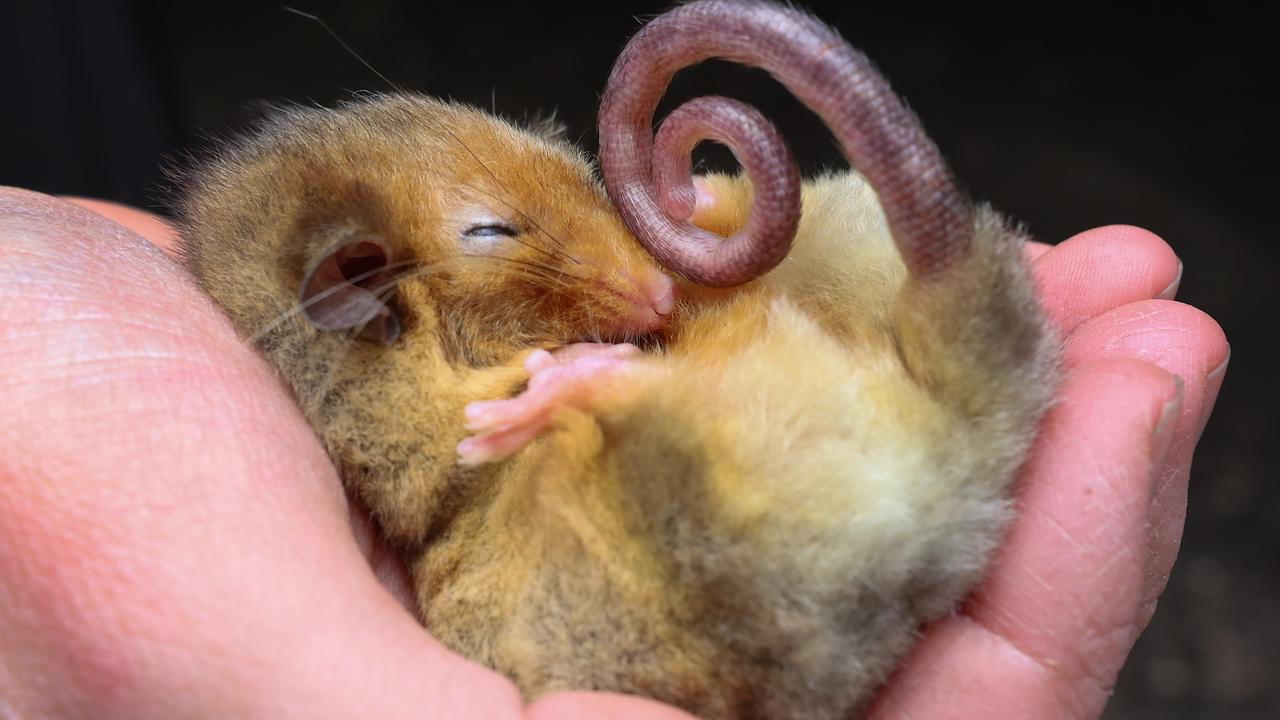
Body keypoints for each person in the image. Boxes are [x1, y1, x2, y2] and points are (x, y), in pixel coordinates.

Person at [0, 186, 1228, 719]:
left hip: (802, 486)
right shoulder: (390, 402)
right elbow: (429, 465)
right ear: (353, 295)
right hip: (753, 518)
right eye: (495, 229)